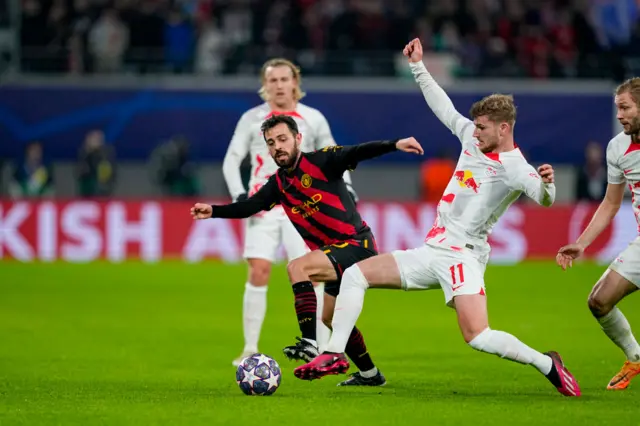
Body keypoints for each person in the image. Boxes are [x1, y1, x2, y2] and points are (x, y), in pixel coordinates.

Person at [293, 38, 581, 398]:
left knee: (478, 336)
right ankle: (334, 354)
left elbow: (544, 199)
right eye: (474, 126)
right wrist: (418, 66)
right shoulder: (471, 140)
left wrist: (549, 185)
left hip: (463, 255)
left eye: (483, 128)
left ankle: (547, 364)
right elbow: (442, 105)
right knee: (355, 275)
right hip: (432, 250)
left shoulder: (516, 169)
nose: (474, 132)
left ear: (504, 128)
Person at [193, 114, 424, 386]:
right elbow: (250, 207)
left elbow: (359, 151)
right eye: (271, 142)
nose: (277, 146)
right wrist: (214, 211)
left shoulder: (322, 161)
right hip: (334, 253)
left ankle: (309, 343)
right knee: (329, 317)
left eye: (282, 139)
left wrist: (395, 144)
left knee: (297, 267)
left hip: (356, 245)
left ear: (297, 139)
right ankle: (370, 375)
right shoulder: (278, 183)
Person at [222, 58, 358, 366]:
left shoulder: (313, 119)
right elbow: (232, 158)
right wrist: (239, 195)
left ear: (295, 82)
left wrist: (347, 188)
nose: (279, 85)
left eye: (285, 79)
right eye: (273, 80)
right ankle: (249, 348)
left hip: (306, 207)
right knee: (259, 270)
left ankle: (323, 348)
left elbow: (333, 156)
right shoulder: (251, 119)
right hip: (264, 204)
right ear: (264, 86)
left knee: (314, 274)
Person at [556, 77, 640, 390]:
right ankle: (635, 357)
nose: (619, 115)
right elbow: (611, 202)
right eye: (617, 108)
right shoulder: (617, 147)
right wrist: (581, 243)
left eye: (625, 107)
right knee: (599, 301)